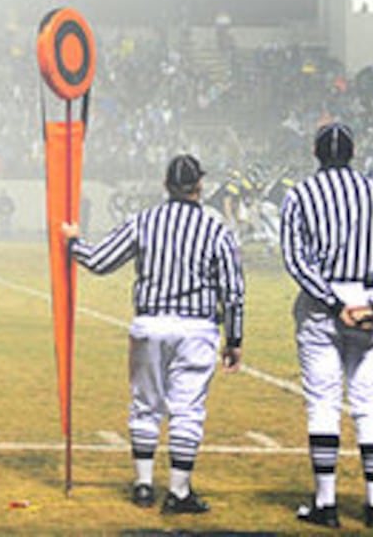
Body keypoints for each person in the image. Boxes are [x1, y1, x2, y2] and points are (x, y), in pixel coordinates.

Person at [62, 154, 244, 515]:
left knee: (145, 404)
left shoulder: (144, 221)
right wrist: (234, 339)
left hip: (150, 324)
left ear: (166, 185)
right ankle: (178, 492)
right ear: (200, 186)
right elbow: (233, 290)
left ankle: (143, 485)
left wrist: (72, 244)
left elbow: (99, 261)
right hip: (196, 327)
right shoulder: (217, 228)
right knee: (187, 410)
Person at [280, 123, 373, 530]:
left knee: (323, 401)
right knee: (370, 404)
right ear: (353, 152)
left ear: (316, 153)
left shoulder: (300, 194)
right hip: (370, 302)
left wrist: (334, 301)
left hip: (323, 308)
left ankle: (327, 502)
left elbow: (295, 257)